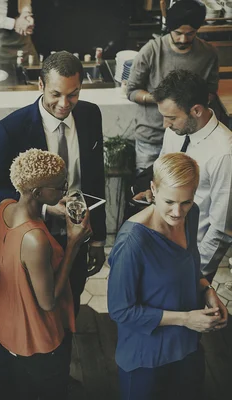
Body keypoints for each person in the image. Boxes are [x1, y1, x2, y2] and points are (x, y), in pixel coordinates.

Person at [0, 51, 106, 316]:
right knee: (38, 310)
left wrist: (98, 239)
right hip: (32, 238)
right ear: (40, 86)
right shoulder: (10, 129)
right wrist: (46, 209)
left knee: (70, 302)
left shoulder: (91, 115)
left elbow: (95, 178)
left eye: (73, 94)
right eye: (56, 94)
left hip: (78, 232)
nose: (64, 103)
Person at [108, 152, 228, 400]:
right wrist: (186, 319)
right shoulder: (133, 241)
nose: (177, 212)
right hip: (146, 360)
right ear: (153, 189)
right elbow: (120, 310)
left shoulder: (189, 215)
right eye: (170, 201)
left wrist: (207, 290)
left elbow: (189, 266)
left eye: (186, 201)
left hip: (187, 348)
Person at [0, 149, 91, 399]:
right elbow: (47, 302)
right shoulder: (35, 239)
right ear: (37, 192)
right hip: (35, 335)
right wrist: (73, 244)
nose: (65, 191)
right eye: (59, 187)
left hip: (7, 325)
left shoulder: (4, 208)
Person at [133, 70, 232, 283]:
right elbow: (163, 170)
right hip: (160, 241)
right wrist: (154, 194)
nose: (164, 125)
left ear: (196, 110)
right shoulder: (174, 131)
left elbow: (221, 228)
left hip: (193, 255)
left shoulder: (225, 153)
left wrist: (196, 272)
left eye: (171, 118)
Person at [127, 0, 218, 174]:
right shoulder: (152, 50)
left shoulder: (208, 54)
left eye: (190, 33)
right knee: (147, 186)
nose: (183, 39)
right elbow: (132, 91)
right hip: (151, 135)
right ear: (169, 28)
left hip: (189, 135)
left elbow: (211, 91)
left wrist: (193, 103)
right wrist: (164, 99)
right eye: (178, 33)